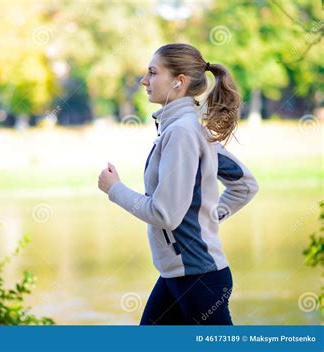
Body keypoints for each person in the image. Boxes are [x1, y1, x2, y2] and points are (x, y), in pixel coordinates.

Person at [98, 43, 259, 325]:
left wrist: (115, 190)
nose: (144, 81)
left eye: (152, 73)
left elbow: (165, 214)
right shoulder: (186, 128)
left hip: (198, 278)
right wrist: (206, 218)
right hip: (180, 275)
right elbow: (245, 185)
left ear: (178, 82)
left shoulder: (183, 133)